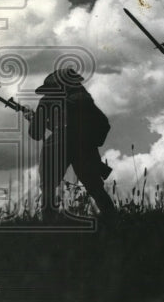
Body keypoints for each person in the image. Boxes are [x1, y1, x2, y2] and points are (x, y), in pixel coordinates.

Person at [30, 67, 116, 221]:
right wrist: (89, 142)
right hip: (85, 146)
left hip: (56, 145)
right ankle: (114, 220)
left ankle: (48, 225)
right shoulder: (86, 102)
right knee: (96, 188)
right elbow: (104, 124)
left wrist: (34, 119)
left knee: (48, 189)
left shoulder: (46, 101)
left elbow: (35, 134)